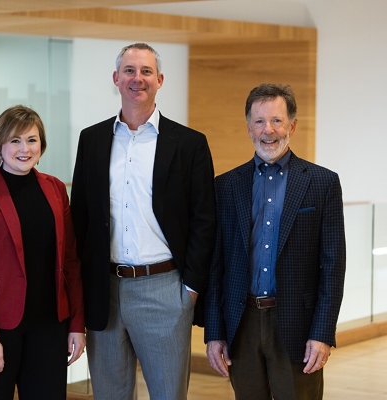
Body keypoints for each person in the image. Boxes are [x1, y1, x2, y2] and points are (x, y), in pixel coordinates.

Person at [70, 43, 216, 399]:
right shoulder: (91, 140)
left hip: (165, 290)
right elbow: (81, 219)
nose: (138, 79)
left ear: (160, 80)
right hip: (105, 291)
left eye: (146, 71)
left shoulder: (189, 143)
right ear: (116, 78)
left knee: (168, 394)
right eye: (130, 71)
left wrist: (190, 291)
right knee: (109, 394)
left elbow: (204, 220)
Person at [205, 83, 346, 400]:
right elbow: (216, 267)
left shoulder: (322, 183)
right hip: (242, 326)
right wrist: (214, 333)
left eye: (277, 121)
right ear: (248, 128)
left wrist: (323, 333)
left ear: (292, 126)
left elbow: (333, 267)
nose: (268, 130)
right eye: (259, 121)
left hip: (297, 325)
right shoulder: (226, 186)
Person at [0, 105, 86, 399]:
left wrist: (77, 324)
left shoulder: (55, 189)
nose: (24, 149)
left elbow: (71, 261)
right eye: (15, 140)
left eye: (32, 140)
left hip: (49, 327)